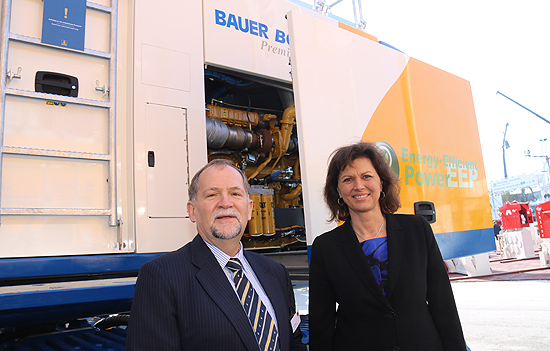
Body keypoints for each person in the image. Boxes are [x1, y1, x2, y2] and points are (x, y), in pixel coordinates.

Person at [126, 159, 306, 351]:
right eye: (212, 195)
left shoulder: (276, 273)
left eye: (235, 193)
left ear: (250, 209)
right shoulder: (161, 276)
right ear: (192, 211)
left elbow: (292, 342)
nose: (225, 203)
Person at [309, 142, 467, 351]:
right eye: (348, 179)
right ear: (337, 190)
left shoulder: (417, 229)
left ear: (381, 183)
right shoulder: (325, 247)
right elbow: (322, 323)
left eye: (367, 176)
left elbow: (443, 302)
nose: (359, 186)